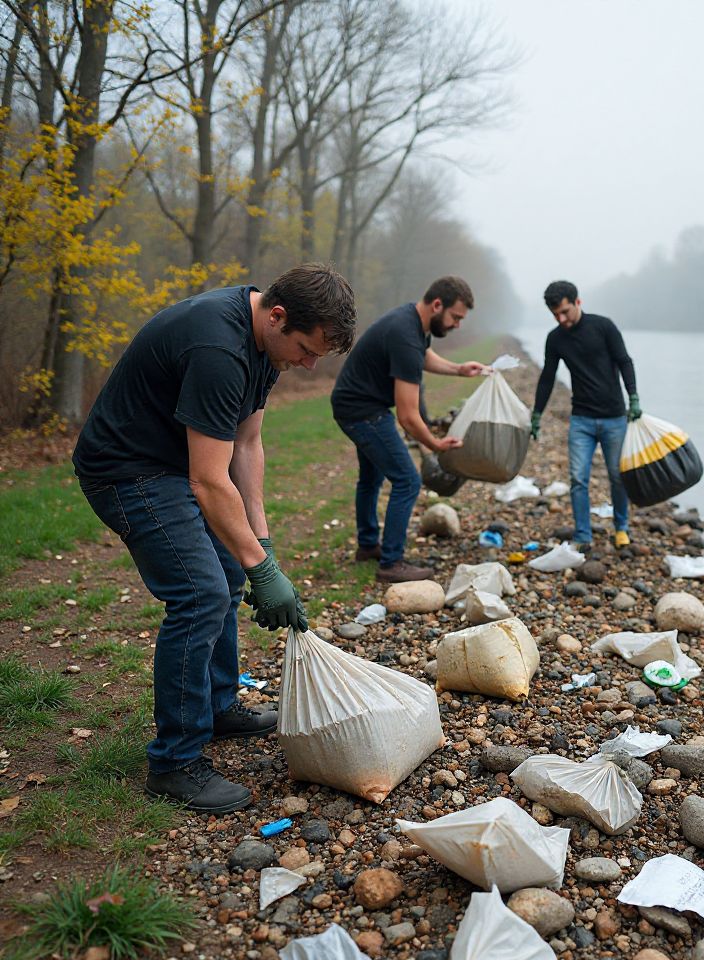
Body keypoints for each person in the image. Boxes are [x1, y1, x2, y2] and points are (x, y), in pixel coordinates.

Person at [72, 263, 357, 814]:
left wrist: (261, 548)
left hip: (173, 465)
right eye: (306, 349)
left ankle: (217, 706)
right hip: (127, 470)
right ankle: (175, 764)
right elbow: (207, 479)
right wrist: (262, 570)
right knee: (199, 593)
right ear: (277, 315)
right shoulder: (218, 349)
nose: (309, 364)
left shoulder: (266, 346)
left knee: (227, 572)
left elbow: (246, 445)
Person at [331, 276, 485, 583]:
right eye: (455, 317)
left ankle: (368, 546)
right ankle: (391, 563)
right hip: (363, 412)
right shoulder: (405, 335)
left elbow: (422, 355)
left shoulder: (412, 322)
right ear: (437, 305)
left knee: (371, 478)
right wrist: (436, 444)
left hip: (355, 404)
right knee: (408, 481)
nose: (457, 325)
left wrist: (458, 369)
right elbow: (408, 417)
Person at [531, 280, 642, 551]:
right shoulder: (555, 339)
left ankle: (621, 527)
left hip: (614, 417)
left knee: (617, 476)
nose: (561, 319)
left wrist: (634, 397)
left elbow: (625, 361)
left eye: (565, 312)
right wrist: (536, 414)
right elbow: (547, 377)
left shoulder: (603, 327)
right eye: (555, 315)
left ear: (577, 302)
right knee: (578, 479)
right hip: (581, 419)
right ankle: (583, 534)